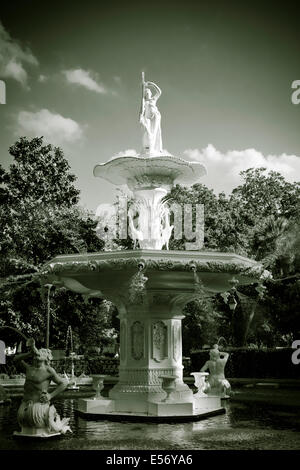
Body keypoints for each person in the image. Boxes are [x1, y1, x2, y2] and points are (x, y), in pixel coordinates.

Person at [13, 338, 71, 436]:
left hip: (39, 407)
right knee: (26, 430)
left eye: (42, 353)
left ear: (47, 358)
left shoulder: (49, 370)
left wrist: (50, 396)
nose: (38, 354)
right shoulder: (29, 368)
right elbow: (15, 359)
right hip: (24, 405)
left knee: (37, 430)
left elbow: (64, 383)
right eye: (38, 352)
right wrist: (29, 353)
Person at [139, 72, 163, 155]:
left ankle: (153, 149)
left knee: (154, 132)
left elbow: (159, 92)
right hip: (147, 118)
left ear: (151, 93)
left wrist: (152, 84)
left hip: (155, 117)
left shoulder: (153, 99)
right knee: (147, 132)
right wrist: (141, 118)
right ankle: (147, 149)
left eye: (148, 92)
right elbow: (141, 110)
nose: (147, 94)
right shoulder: (144, 101)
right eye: (145, 93)